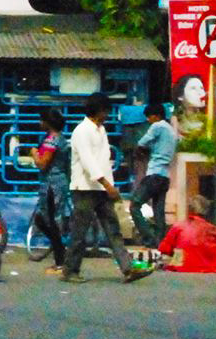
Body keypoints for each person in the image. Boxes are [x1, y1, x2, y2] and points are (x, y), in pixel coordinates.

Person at [62, 94, 155, 284]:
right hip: (84, 188)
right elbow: (88, 161)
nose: (107, 115)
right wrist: (107, 185)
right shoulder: (81, 131)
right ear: (98, 111)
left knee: (113, 229)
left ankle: (127, 268)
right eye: (105, 111)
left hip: (101, 188)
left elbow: (103, 160)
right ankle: (70, 270)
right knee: (80, 232)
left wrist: (109, 186)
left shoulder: (101, 130)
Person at [131, 102, 179, 249]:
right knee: (159, 214)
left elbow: (142, 142)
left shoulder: (157, 126)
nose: (148, 120)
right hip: (165, 176)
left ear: (156, 116)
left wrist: (139, 152)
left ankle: (149, 238)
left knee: (135, 206)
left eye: (149, 117)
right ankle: (161, 244)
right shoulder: (171, 131)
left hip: (154, 174)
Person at [31, 106, 73, 274]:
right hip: (59, 182)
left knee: (47, 221)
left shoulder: (51, 141)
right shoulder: (60, 138)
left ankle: (60, 258)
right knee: (49, 220)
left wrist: (34, 153)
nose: (39, 123)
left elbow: (42, 163)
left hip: (51, 184)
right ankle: (60, 253)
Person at [157, 194, 216, 274]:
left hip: (182, 271)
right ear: (207, 211)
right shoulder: (215, 230)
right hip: (210, 272)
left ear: (188, 209)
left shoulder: (178, 227)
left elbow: (164, 249)